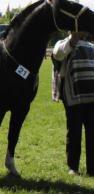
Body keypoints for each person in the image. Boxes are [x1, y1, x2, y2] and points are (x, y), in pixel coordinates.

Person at [52, 31, 94, 177]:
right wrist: (71, 41)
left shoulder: (90, 47)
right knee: (74, 131)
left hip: (91, 97)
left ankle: (92, 169)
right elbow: (57, 54)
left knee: (92, 133)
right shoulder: (63, 43)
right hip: (73, 96)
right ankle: (73, 167)